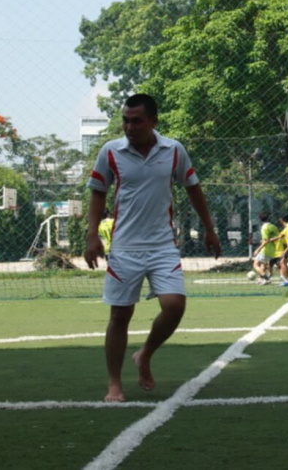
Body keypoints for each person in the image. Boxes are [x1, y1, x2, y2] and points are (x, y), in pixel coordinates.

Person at [84, 93, 220, 403]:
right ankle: (114, 385)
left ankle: (144, 354)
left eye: (136, 121)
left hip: (162, 246)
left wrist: (210, 230)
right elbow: (97, 193)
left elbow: (193, 189)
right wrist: (93, 236)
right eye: (125, 120)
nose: (129, 127)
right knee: (120, 316)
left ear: (153, 121)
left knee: (174, 306)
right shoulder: (110, 152)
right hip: (124, 249)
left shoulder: (173, 150)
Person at [253, 212, 280, 284]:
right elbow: (278, 237)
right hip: (273, 249)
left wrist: (258, 249)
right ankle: (262, 279)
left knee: (255, 264)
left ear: (260, 220)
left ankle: (266, 278)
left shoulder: (264, 228)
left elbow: (265, 240)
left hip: (265, 249)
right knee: (263, 264)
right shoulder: (273, 227)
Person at [274, 214, 288, 287]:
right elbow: (280, 236)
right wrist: (269, 240)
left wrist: (285, 251)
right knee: (282, 262)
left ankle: (286, 280)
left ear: (281, 220)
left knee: (282, 262)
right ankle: (287, 279)